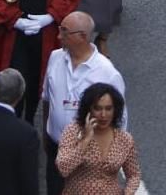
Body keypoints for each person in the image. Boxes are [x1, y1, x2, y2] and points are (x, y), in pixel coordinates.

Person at [41, 14, 126, 195]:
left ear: (83, 37)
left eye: (64, 32)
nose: (58, 37)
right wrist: (46, 134)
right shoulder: (55, 58)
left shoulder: (107, 73)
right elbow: (47, 98)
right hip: (57, 149)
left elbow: (120, 121)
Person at [54, 82, 140, 195]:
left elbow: (133, 174)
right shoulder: (73, 131)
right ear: (88, 110)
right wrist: (85, 141)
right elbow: (63, 168)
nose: (103, 115)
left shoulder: (124, 139)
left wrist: (128, 192)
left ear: (115, 110)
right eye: (98, 108)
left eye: (108, 109)